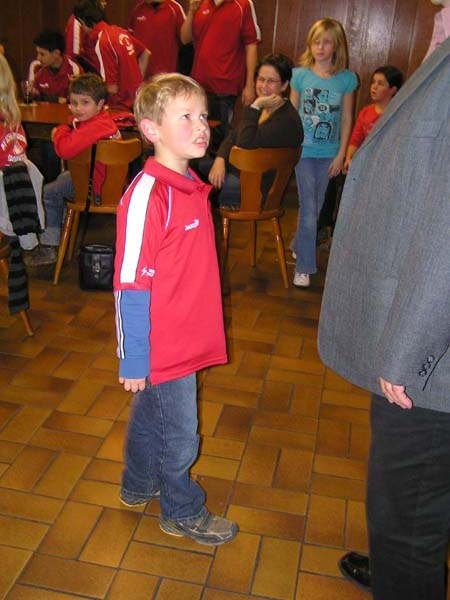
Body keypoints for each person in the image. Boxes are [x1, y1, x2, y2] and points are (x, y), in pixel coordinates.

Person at [318, 34, 450, 600]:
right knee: (415, 503)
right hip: (426, 334)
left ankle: (405, 575)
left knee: (407, 518)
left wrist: (409, 350)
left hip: (431, 364)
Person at [113, 73, 238, 546]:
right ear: (151, 130)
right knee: (182, 432)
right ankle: (181, 510)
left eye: (203, 115)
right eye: (185, 116)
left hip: (187, 330)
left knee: (152, 414)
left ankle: (138, 483)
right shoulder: (149, 195)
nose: (201, 126)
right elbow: (129, 283)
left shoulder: (189, 184)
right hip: (165, 340)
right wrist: (134, 357)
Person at [25, 73, 121, 267]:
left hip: (95, 188)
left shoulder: (95, 127)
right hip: (104, 181)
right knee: (63, 178)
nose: (78, 108)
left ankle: (50, 246)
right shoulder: (102, 121)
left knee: (48, 193)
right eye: (74, 103)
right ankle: (61, 232)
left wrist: (60, 131)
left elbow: (64, 150)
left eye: (85, 103)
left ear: (100, 104)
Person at [289, 18, 358, 288]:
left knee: (315, 209)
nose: (320, 47)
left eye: (326, 42)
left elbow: (347, 118)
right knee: (308, 209)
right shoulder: (300, 76)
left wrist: (341, 154)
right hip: (304, 152)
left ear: (336, 46)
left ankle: (299, 244)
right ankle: (304, 267)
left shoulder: (347, 79)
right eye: (316, 42)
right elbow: (292, 116)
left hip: (329, 154)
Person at [206, 53, 303, 208]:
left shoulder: (286, 121)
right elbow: (233, 136)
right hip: (240, 173)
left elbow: (244, 142)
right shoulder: (266, 108)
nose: (264, 86)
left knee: (199, 183)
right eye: (261, 79)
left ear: (284, 85)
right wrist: (220, 158)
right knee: (194, 166)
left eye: (271, 81)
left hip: (256, 188)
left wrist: (256, 106)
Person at [182, 0, 261, 153]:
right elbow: (185, 39)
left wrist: (250, 84)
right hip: (198, 86)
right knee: (193, 138)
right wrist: (191, 12)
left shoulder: (242, 5)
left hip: (225, 87)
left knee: (219, 141)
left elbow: (251, 45)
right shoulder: (200, 4)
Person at [73, 0, 150, 110]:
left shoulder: (102, 42)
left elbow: (112, 88)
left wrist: (86, 85)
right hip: (138, 100)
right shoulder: (119, 31)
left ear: (82, 21)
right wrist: (136, 82)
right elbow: (145, 53)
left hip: (121, 106)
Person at [343, 65, 403, 172]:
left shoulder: (399, 114)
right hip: (366, 163)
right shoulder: (365, 112)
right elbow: (355, 140)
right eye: (373, 82)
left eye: (380, 84)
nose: (374, 87)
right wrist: (348, 159)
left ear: (392, 90)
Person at [128, 0, 190, 78]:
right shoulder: (138, 10)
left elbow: (185, 40)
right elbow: (130, 43)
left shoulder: (174, 8)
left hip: (166, 75)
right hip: (142, 74)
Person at [30, 30, 83, 103]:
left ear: (56, 53)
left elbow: (79, 99)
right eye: (37, 53)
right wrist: (56, 99)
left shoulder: (74, 69)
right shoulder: (36, 67)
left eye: (42, 54)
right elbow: (33, 98)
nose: (38, 58)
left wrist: (46, 98)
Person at [65, 0, 108, 72]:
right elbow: (73, 55)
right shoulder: (77, 21)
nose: (105, 3)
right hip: (90, 71)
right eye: (101, 1)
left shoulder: (98, 19)